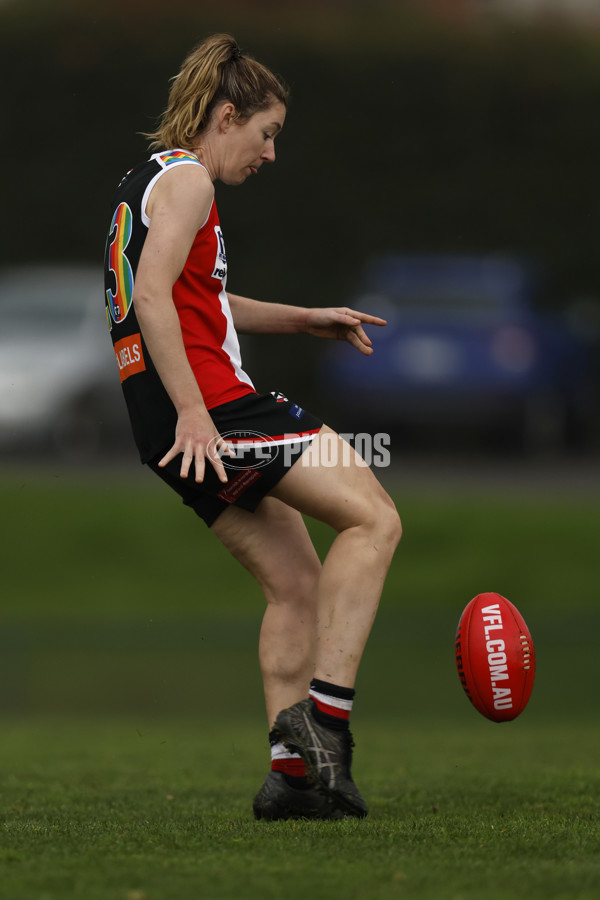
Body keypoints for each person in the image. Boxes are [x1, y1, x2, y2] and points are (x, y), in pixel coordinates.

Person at [104, 33, 402, 821]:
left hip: (163, 421)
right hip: (213, 410)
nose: (270, 153)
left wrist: (304, 319)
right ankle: (325, 717)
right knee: (374, 518)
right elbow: (155, 301)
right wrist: (201, 413)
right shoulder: (195, 180)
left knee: (296, 584)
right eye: (266, 133)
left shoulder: (149, 181)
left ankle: (292, 781)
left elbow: (196, 297)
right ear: (226, 115)